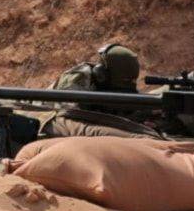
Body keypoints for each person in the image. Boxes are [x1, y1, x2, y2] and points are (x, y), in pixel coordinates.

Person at [34, 43, 163, 140]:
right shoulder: (75, 81)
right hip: (42, 119)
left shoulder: (109, 84)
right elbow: (73, 124)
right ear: (101, 74)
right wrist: (128, 123)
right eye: (117, 89)